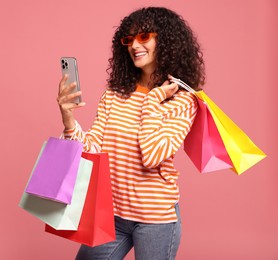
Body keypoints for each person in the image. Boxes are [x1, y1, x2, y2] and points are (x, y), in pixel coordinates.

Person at [56, 6, 205, 260]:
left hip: (156, 219)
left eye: (144, 37)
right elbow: (93, 148)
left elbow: (152, 155)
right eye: (128, 39)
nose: (134, 45)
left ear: (167, 40)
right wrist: (68, 119)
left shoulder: (183, 100)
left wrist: (154, 97)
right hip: (112, 213)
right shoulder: (115, 95)